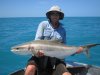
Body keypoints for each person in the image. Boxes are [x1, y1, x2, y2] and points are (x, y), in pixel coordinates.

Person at [25, 5, 72, 75]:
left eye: (57, 14)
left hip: (57, 58)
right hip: (39, 56)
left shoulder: (63, 30)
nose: (55, 15)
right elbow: (37, 41)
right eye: (52, 13)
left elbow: (63, 45)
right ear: (49, 15)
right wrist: (37, 52)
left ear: (60, 16)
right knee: (30, 68)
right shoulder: (43, 24)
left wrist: (74, 51)